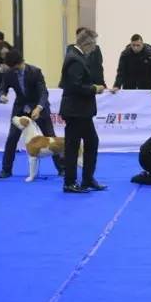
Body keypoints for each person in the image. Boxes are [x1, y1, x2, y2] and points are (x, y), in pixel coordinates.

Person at [0, 50, 63, 179]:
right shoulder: (9, 73)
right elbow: (3, 88)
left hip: (38, 108)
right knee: (12, 138)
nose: (15, 70)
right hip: (20, 109)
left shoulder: (35, 72)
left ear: (21, 62)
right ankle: (6, 169)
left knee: (50, 137)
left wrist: (39, 107)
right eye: (12, 68)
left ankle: (62, 168)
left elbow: (43, 92)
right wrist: (2, 96)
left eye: (16, 67)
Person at [59, 28, 106, 193]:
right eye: (93, 44)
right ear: (87, 43)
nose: (94, 48)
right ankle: (70, 182)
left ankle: (87, 179)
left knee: (91, 142)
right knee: (73, 147)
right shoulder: (75, 59)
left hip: (81, 111)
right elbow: (75, 86)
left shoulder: (76, 56)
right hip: (76, 111)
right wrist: (94, 88)